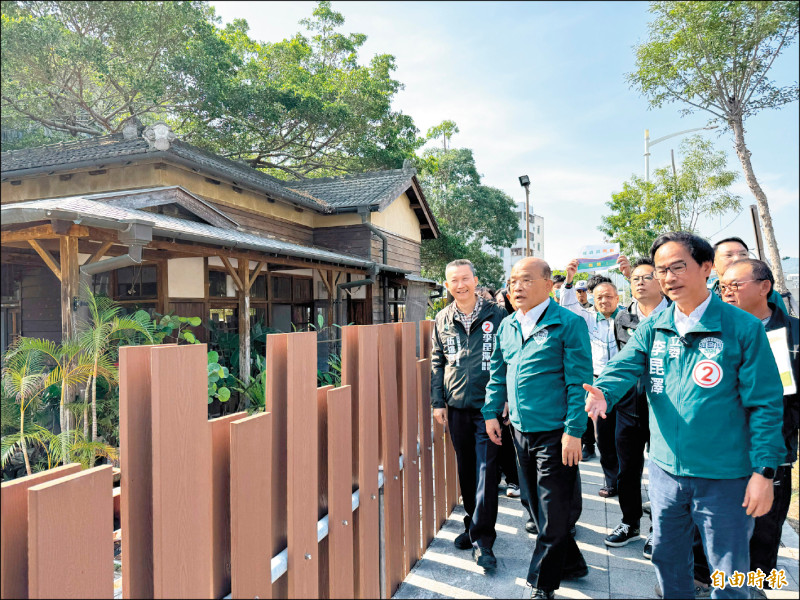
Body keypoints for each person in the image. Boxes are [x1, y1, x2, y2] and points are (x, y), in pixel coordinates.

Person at [584, 231, 785, 600]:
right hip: (665, 473)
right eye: (662, 270)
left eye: (678, 267)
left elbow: (766, 405)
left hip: (725, 476)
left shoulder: (743, 328)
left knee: (729, 572)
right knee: (667, 560)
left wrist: (764, 472)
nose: (669, 278)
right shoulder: (654, 326)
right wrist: (604, 391)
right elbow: (625, 366)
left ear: (706, 268)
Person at [484, 257, 591, 599]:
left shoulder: (568, 323)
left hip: (555, 433)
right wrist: (490, 413)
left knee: (553, 508)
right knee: (535, 503)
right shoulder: (508, 325)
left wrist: (574, 431)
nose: (517, 286)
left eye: (526, 280)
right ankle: (572, 563)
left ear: (548, 285)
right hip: (519, 430)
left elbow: (579, 383)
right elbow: (497, 374)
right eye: (513, 280)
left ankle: (541, 583)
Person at [719, 258, 799, 598]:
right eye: (723, 286)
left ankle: (756, 586)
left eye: (735, 285)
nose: (727, 292)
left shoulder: (793, 332)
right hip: (721, 449)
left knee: (765, 530)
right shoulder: (716, 328)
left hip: (773, 448)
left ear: (764, 287)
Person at [430, 259, 507, 571]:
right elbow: (438, 362)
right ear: (447, 286)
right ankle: (472, 526)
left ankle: (483, 541)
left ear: (475, 281)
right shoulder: (442, 319)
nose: (459, 285)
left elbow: (508, 359)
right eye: (453, 281)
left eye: (465, 279)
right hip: (458, 407)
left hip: (488, 409)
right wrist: (438, 401)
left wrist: (503, 401)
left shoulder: (497, 314)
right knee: (466, 471)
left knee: (487, 474)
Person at [605, 256, 669, 558]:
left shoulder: (675, 315)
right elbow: (622, 362)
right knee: (627, 469)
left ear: (661, 281)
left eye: (647, 277)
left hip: (665, 407)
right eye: (635, 279)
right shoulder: (623, 318)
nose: (640, 283)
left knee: (662, 473)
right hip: (628, 406)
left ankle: (660, 528)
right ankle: (630, 523)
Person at [561, 267, 622, 497]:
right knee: (604, 438)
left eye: (608, 296)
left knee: (625, 437)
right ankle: (611, 479)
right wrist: (569, 280)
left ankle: (626, 479)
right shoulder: (587, 319)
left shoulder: (627, 318)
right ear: (592, 300)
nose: (604, 300)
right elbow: (568, 305)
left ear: (617, 298)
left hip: (624, 385)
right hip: (598, 385)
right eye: (599, 297)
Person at [712, 237, 790, 316]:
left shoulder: (767, 295)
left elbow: (783, 324)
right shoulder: (706, 299)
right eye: (728, 255)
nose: (737, 259)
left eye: (743, 254)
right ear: (713, 265)